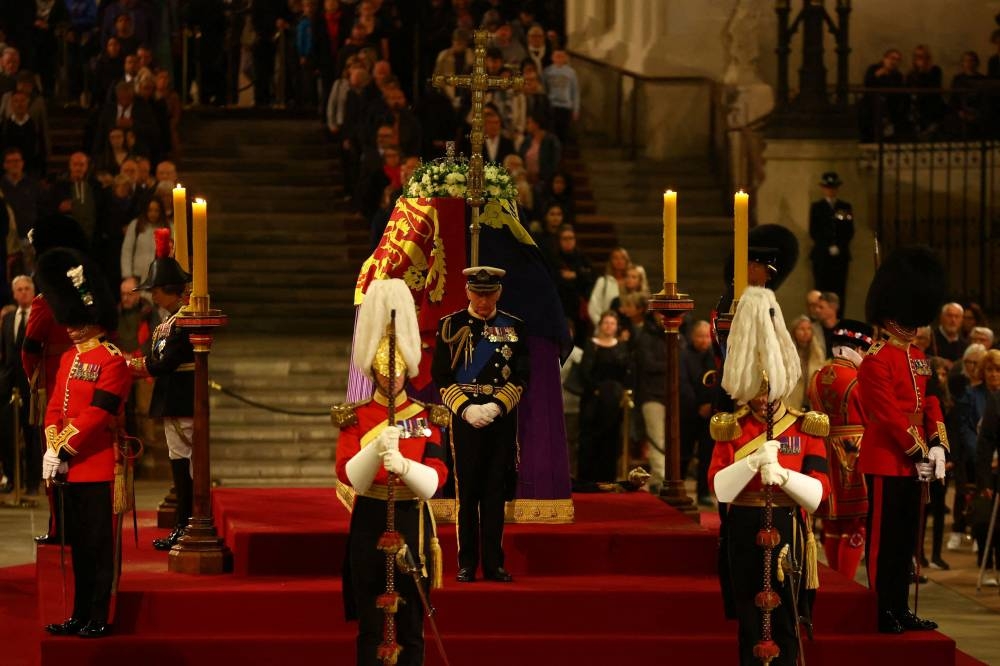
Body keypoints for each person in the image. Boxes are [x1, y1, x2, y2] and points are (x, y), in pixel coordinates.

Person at [709, 286, 830, 666]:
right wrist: (751, 463)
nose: (764, 400)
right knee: (750, 620)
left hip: (789, 526)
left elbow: (818, 494)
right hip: (743, 527)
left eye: (769, 391)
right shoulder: (731, 428)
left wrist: (783, 476)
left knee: (788, 619)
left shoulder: (805, 427)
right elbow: (719, 488)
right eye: (757, 393)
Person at [333, 278, 448, 666]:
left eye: (397, 372)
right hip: (369, 518)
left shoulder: (427, 417)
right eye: (384, 372)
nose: (392, 378)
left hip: (411, 519)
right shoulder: (356, 417)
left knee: (412, 623)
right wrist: (376, 450)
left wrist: (404, 466)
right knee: (370, 623)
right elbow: (351, 475)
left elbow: (435, 480)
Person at [35, 247, 131, 639]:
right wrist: (51, 443)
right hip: (70, 467)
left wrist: (64, 446)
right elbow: (55, 405)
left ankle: (99, 615)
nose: (71, 328)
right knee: (78, 548)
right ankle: (78, 613)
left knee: (98, 547)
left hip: (97, 464)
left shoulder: (112, 360)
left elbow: (99, 414)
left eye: (78, 321)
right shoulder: (69, 359)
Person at [858, 245, 948, 634]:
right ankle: (883, 609)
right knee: (884, 543)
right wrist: (919, 449)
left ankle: (901, 607)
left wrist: (939, 443)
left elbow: (929, 402)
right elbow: (887, 415)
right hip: (886, 459)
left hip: (916, 461)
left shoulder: (917, 356)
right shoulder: (876, 359)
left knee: (907, 542)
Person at [431, 266, 528, 583]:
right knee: (467, 492)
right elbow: (441, 376)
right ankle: (466, 562)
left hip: (500, 420)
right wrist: (467, 409)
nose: (483, 301)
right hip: (465, 420)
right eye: (478, 293)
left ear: (498, 293)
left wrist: (497, 406)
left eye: (489, 294)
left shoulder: (514, 328)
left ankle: (494, 563)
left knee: (494, 493)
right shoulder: (450, 326)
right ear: (468, 292)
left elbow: (522, 375)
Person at [128, 228, 194, 551]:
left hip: (183, 397)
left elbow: (164, 361)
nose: (152, 296)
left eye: (156, 290)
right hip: (171, 397)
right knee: (178, 462)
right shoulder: (168, 321)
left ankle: (188, 523)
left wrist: (134, 367)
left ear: (169, 290)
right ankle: (183, 524)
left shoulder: (185, 321)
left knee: (187, 464)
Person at [808, 319, 874, 581]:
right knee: (857, 523)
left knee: (831, 522)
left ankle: (834, 582)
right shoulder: (859, 380)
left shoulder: (817, 376)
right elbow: (872, 419)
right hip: (853, 454)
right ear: (858, 348)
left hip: (823, 451)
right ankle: (846, 583)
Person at [575, 311, 631, 485]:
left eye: (612, 323)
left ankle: (608, 478)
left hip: (613, 401)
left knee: (611, 438)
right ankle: (587, 478)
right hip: (593, 399)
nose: (609, 326)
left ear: (617, 327)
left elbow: (626, 372)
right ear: (600, 325)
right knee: (590, 437)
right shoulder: (591, 345)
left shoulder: (621, 346)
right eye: (606, 322)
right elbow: (584, 372)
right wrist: (597, 390)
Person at [0, 274, 37, 492]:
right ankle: (12, 479)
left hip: (30, 384)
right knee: (6, 433)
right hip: (9, 386)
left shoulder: (39, 317)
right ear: (14, 294)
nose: (23, 292)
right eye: (19, 289)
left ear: (33, 292)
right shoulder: (8, 317)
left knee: (31, 433)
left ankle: (32, 482)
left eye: (26, 289)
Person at [679, 320, 718, 503]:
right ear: (692, 337)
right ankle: (677, 488)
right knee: (684, 452)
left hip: (710, 412)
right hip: (689, 412)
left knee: (707, 455)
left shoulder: (715, 357)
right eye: (700, 336)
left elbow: (719, 382)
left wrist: (711, 405)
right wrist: (697, 406)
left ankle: (703, 492)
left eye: (706, 336)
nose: (704, 340)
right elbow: (683, 383)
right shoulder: (684, 356)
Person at [808, 172, 854, 312]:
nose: (830, 190)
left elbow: (849, 230)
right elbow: (814, 231)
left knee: (839, 290)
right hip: (822, 255)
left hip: (840, 256)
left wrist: (839, 246)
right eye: (828, 187)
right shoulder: (817, 207)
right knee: (821, 289)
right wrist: (827, 246)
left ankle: (838, 318)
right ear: (823, 188)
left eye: (833, 187)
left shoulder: (845, 206)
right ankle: (821, 317)